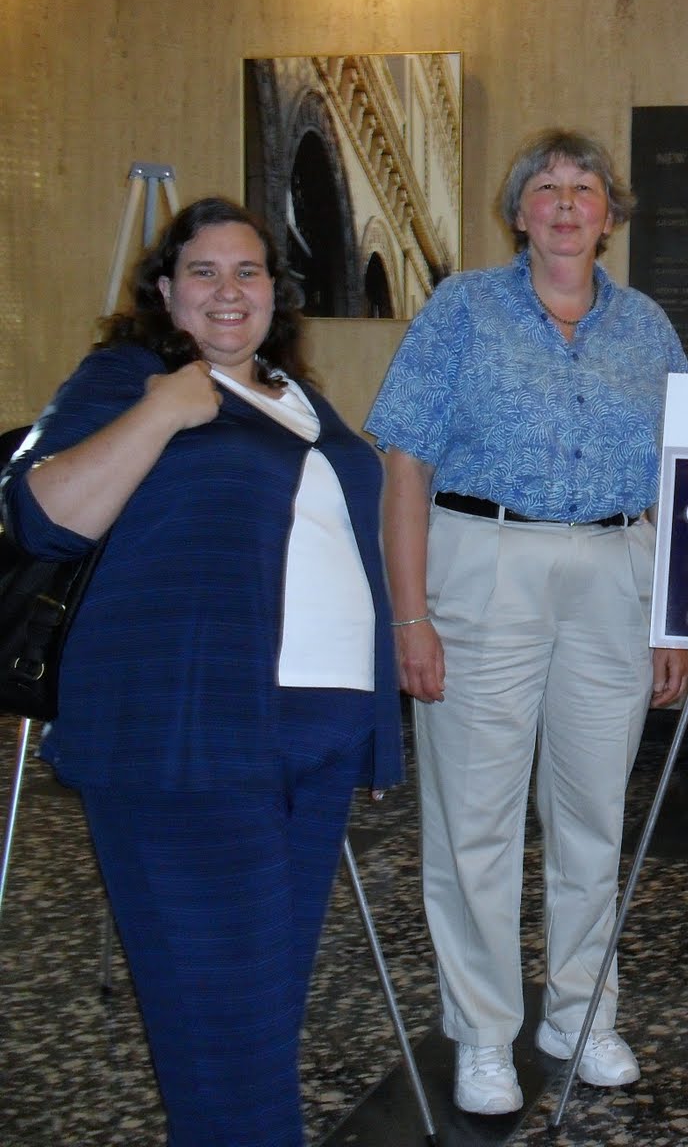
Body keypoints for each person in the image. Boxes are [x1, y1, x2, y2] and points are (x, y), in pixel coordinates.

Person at [0, 197, 402, 1146]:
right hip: (187, 738)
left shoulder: (297, 395)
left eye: (249, 272)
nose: (230, 290)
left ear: (276, 293)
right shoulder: (129, 375)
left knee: (258, 1016)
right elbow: (39, 514)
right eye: (206, 273)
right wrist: (162, 411)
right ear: (168, 294)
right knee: (222, 1028)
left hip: (316, 744)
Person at [366, 127, 688, 1116]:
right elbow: (406, 466)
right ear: (517, 212)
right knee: (475, 820)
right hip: (482, 566)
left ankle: (580, 1013)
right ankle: (482, 1033)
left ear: (608, 213)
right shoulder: (462, 309)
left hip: (612, 572)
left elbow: (687, 477)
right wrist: (409, 615)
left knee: (593, 813)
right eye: (543, 188)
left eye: (582, 188)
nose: (563, 203)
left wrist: (672, 618)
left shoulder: (648, 328)